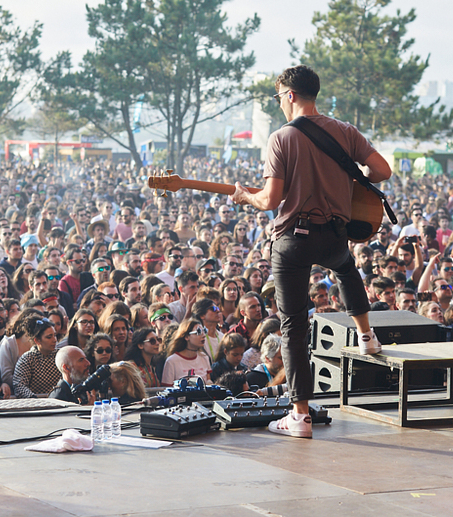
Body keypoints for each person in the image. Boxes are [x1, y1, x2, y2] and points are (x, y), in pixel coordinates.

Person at [232, 65, 391, 439]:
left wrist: (244, 196)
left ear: (289, 95)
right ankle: (367, 337)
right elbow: (381, 170)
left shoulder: (281, 138)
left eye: (278, 99)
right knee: (347, 269)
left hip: (293, 239)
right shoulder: (345, 131)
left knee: (293, 329)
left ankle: (300, 416)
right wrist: (349, 181)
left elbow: (271, 199)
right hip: (333, 236)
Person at [12, 315, 61, 398]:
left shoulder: (61, 355)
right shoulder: (27, 359)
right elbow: (19, 386)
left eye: (55, 335)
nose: (54, 340)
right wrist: (33, 398)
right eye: (49, 337)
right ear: (37, 340)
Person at [160, 317, 212, 386]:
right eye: (198, 332)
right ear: (186, 337)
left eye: (204, 331)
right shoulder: (172, 361)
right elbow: (166, 389)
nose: (203, 335)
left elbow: (208, 381)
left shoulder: (204, 357)